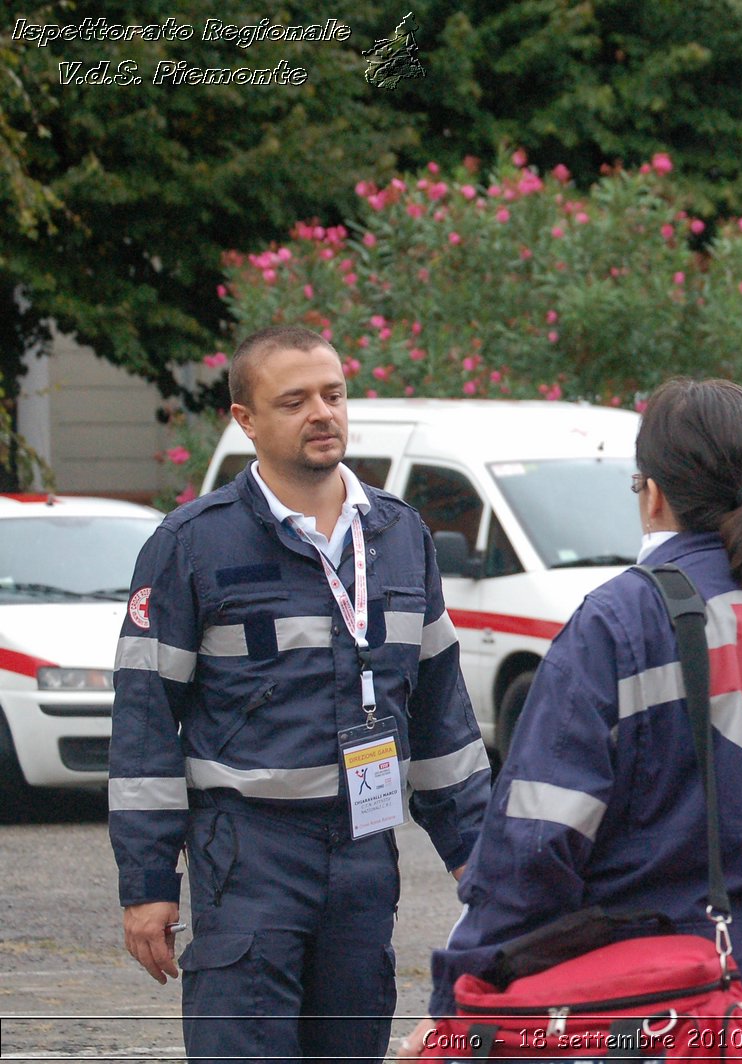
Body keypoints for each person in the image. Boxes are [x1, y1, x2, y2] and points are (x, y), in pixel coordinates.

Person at [406, 379, 742, 1062]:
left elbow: (534, 848)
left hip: (652, 1011)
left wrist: (458, 1002)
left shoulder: (613, 629)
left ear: (650, 493)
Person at [109, 325, 492, 1062]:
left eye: (333, 394)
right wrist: (148, 882)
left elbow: (443, 714)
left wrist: (477, 856)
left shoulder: (399, 535)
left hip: (363, 849)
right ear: (245, 420)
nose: (322, 412)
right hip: (247, 853)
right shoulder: (192, 545)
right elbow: (145, 721)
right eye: (294, 400)